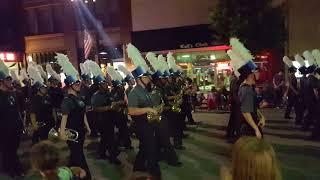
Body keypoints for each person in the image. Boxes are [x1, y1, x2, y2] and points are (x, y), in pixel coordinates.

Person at [127, 66, 161, 178]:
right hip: (141, 125)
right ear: (139, 78)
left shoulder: (145, 90)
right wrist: (148, 109)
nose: (149, 78)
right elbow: (131, 111)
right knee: (151, 150)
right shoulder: (134, 92)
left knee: (144, 149)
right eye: (146, 76)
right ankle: (155, 174)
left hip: (149, 123)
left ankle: (138, 167)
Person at [59, 75, 91, 179]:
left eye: (79, 83)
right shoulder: (67, 100)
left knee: (76, 154)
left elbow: (83, 114)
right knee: (78, 155)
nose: (79, 85)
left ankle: (71, 174)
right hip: (72, 133)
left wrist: (87, 126)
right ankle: (84, 176)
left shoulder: (79, 97)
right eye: (76, 83)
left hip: (81, 131)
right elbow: (64, 118)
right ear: (69, 85)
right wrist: (62, 133)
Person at [91, 75, 121, 164]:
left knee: (105, 138)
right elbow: (96, 108)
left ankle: (101, 153)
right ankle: (113, 157)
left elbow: (112, 102)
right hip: (102, 120)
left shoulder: (108, 93)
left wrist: (115, 105)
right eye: (103, 83)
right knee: (111, 139)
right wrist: (109, 107)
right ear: (99, 85)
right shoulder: (96, 96)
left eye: (105, 83)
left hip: (110, 119)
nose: (106, 84)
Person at [0, 66, 24, 178]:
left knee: (13, 149)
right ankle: (12, 169)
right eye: (7, 79)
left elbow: (17, 109)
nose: (10, 81)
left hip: (15, 127)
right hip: (4, 129)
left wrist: (21, 124)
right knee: (7, 150)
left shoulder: (12, 93)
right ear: (1, 81)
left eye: (10, 79)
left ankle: (13, 167)